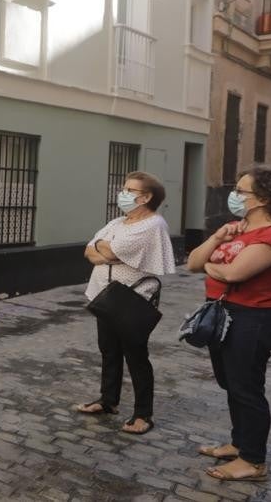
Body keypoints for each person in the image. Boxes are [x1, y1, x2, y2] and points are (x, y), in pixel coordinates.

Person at [186, 166, 271, 483]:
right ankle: (239, 444)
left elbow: (234, 274)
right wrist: (215, 239)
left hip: (255, 316)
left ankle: (253, 461)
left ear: (264, 198)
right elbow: (192, 263)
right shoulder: (234, 229)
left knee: (246, 386)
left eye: (241, 191)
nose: (234, 196)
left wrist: (211, 265)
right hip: (223, 313)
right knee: (231, 383)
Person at [74, 171, 176, 435]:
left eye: (130, 190)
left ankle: (143, 414)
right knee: (108, 349)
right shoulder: (119, 222)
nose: (123, 193)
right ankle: (108, 401)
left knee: (136, 355)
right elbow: (91, 250)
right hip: (105, 296)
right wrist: (105, 250)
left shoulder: (153, 224)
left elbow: (110, 250)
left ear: (146, 197)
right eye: (124, 188)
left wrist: (106, 250)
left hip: (132, 298)